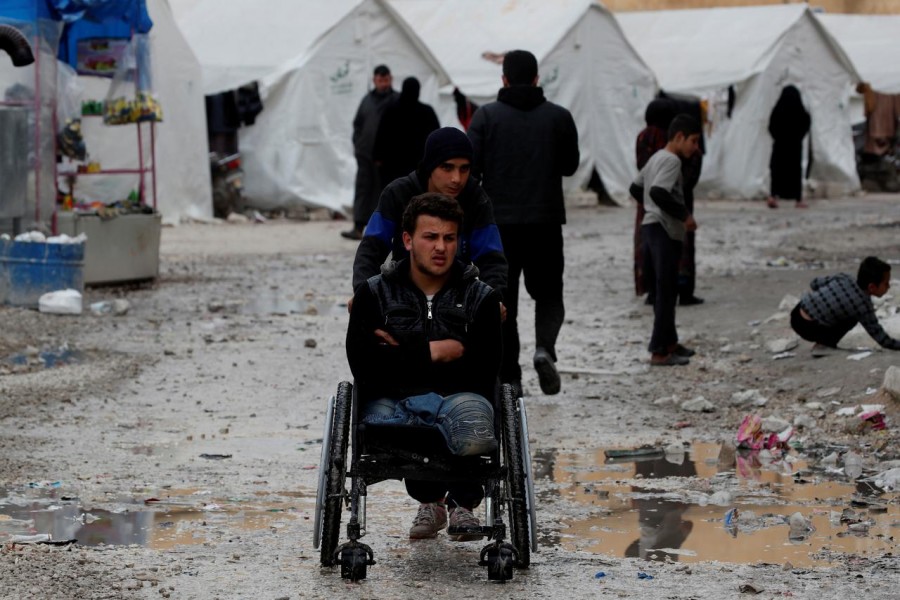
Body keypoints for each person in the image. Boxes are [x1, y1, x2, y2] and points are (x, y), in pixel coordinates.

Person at [346, 192, 503, 540]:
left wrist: (397, 354)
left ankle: (462, 503)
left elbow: (482, 369)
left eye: (449, 238)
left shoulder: (482, 299)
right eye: (430, 237)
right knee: (386, 426)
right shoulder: (374, 295)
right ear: (407, 240)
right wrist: (433, 353)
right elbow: (365, 366)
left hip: (459, 402)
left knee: (474, 427)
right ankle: (430, 500)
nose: (441, 247)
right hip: (393, 407)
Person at [468, 49, 579, 396]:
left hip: (498, 226)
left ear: (503, 79)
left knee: (503, 300)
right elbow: (570, 166)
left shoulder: (485, 117)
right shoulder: (559, 117)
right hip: (545, 221)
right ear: (536, 79)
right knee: (548, 293)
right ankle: (544, 348)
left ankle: (510, 377)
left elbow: (472, 169)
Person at [351, 127, 507, 303]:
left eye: (464, 169)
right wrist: (363, 294)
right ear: (430, 167)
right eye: (447, 168)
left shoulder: (475, 199)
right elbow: (372, 248)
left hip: (456, 299)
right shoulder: (398, 193)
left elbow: (490, 257)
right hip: (404, 296)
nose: (457, 178)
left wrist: (494, 299)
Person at [629, 114, 701, 367]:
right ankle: (659, 350)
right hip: (663, 230)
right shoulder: (671, 161)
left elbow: (637, 187)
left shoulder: (656, 158)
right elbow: (658, 191)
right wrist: (684, 216)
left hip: (650, 228)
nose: (695, 148)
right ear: (679, 137)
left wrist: (648, 207)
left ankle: (670, 342)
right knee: (666, 291)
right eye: (693, 141)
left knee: (665, 289)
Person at [790, 256, 900, 356]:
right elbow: (882, 339)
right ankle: (824, 345)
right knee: (851, 318)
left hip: (796, 313)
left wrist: (828, 299)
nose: (889, 286)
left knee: (842, 310)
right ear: (872, 287)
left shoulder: (845, 277)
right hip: (808, 328)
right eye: (886, 284)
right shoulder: (863, 306)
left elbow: (814, 283)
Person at [343, 64, 398, 240]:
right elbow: (358, 124)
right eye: (380, 80)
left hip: (387, 160)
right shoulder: (367, 100)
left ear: (391, 79)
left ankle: (383, 230)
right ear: (374, 80)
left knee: (384, 193)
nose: (383, 83)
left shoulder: (396, 100)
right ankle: (359, 226)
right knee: (363, 190)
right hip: (365, 156)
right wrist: (358, 145)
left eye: (386, 80)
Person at [372, 76, 440, 186]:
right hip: (418, 167)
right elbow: (436, 138)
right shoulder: (426, 112)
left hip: (392, 166)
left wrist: (377, 157)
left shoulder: (391, 110)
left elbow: (381, 136)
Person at [767, 85, 810, 209]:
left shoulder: (778, 110)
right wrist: (798, 136)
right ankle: (797, 198)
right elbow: (806, 122)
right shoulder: (800, 111)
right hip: (794, 148)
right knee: (795, 173)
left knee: (777, 172)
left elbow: (771, 127)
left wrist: (778, 137)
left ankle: (774, 196)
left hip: (780, 147)